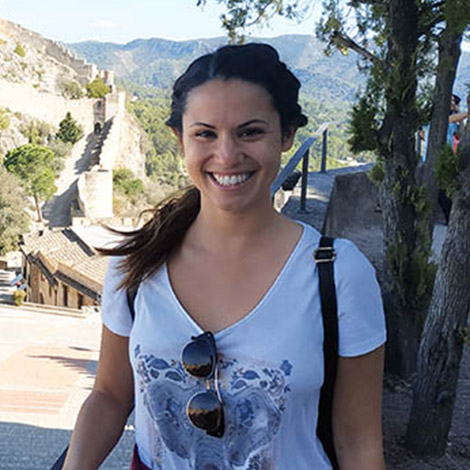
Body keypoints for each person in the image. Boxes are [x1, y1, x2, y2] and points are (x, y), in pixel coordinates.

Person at [63, 44, 386, 470]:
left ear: (286, 136)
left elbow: (358, 442)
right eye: (206, 134)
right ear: (180, 141)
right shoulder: (135, 265)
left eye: (250, 132)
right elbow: (109, 396)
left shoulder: (339, 275)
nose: (227, 155)